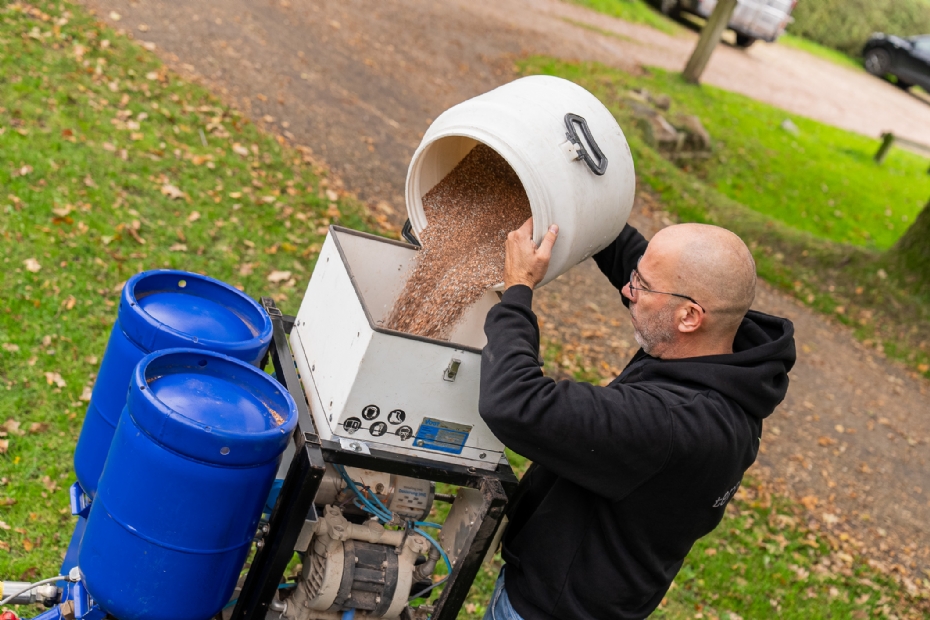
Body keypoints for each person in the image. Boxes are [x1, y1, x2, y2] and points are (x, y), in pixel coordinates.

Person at [479, 218, 796, 620]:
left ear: (689, 317)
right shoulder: (724, 350)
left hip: (548, 609)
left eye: (641, 287)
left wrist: (518, 289)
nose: (629, 290)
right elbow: (630, 253)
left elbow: (515, 401)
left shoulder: (667, 423)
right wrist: (581, 205)